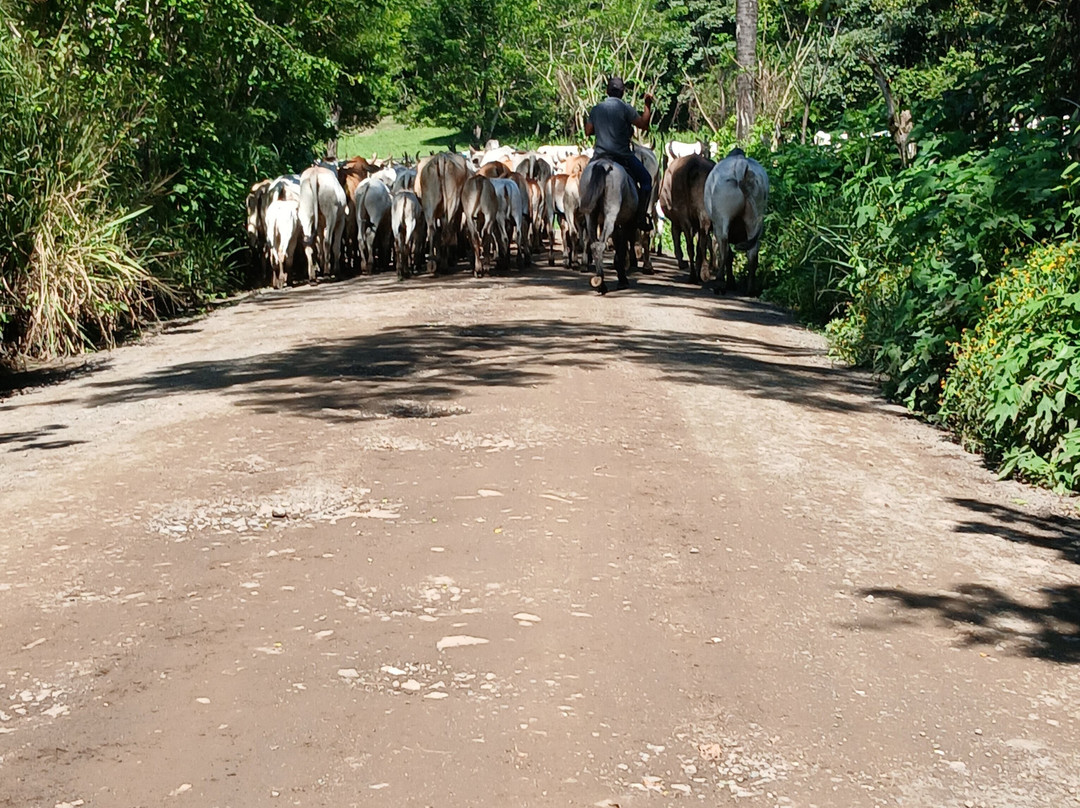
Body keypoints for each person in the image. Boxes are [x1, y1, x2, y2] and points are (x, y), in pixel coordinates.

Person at [584, 76, 654, 231]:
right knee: (646, 181)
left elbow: (588, 131)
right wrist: (647, 105)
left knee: (584, 179)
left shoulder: (596, 109)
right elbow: (643, 125)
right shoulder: (625, 108)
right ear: (623, 92)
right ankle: (641, 217)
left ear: (607, 91)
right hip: (623, 157)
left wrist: (600, 126)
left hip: (599, 156)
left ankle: (582, 212)